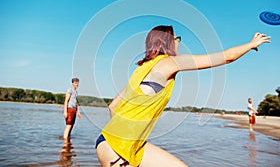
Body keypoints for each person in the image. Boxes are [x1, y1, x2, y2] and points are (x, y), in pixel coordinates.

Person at [95, 25, 270, 167]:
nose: (178, 43)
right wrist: (251, 44)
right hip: (116, 147)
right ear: (168, 42)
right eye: (177, 39)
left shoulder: (141, 69)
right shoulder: (170, 63)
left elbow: (113, 106)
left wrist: (125, 136)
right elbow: (227, 57)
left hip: (118, 142)